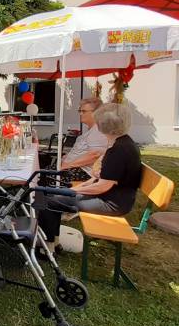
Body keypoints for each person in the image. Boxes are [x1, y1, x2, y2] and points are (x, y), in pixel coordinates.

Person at [38, 103, 141, 251]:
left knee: (48, 201)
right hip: (113, 198)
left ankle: (48, 247)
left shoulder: (119, 150)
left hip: (110, 204)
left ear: (103, 125)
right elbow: (100, 178)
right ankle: (53, 242)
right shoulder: (123, 142)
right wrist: (82, 186)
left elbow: (102, 186)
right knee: (51, 196)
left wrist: (75, 191)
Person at [59, 98, 107, 181]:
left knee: (41, 176)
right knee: (41, 172)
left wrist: (69, 165)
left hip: (83, 174)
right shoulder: (91, 130)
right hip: (74, 169)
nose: (80, 114)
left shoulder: (98, 131)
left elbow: (95, 155)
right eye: (80, 111)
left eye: (84, 111)